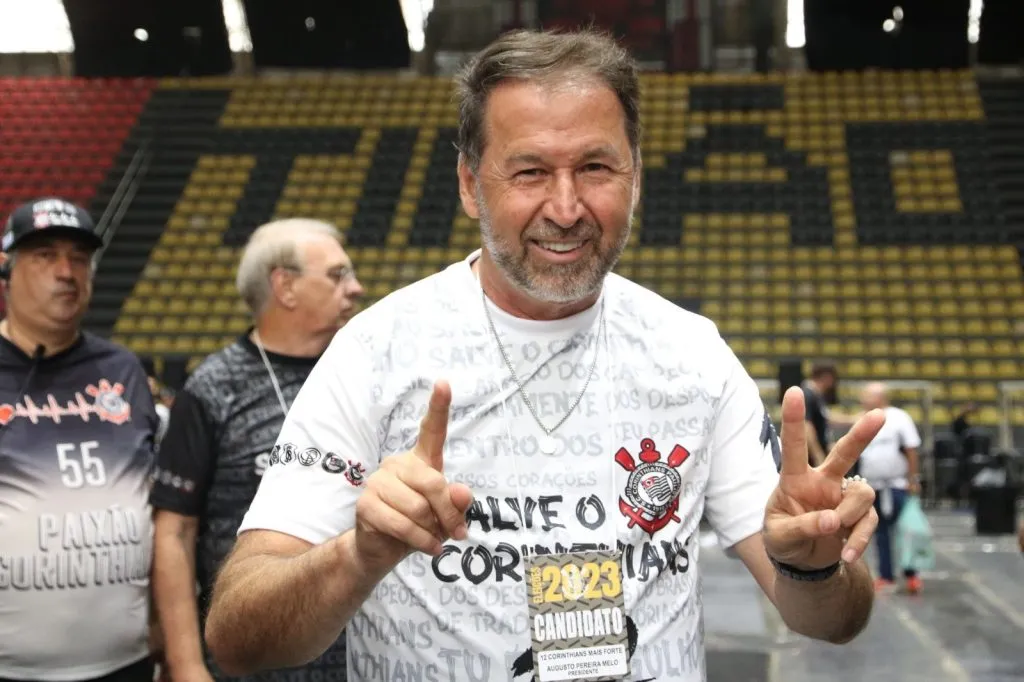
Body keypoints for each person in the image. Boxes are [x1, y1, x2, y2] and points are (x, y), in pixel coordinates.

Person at [204, 29, 883, 682]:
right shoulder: (376, 351)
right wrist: (358, 556)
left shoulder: (693, 354)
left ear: (636, 178)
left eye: (595, 168)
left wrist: (815, 566)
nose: (565, 207)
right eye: (529, 171)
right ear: (470, 184)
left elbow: (833, 620)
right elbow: (236, 638)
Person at [148, 218, 363, 682]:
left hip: (364, 659)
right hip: (254, 661)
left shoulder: (365, 373)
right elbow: (175, 532)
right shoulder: (214, 387)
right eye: (337, 275)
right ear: (284, 286)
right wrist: (186, 665)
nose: (356, 288)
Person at [0, 198, 160, 682]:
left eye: (79, 258)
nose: (66, 272)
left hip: (125, 662)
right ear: (6, 269)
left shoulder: (122, 370)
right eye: (45, 255)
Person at [856, 382, 923, 594]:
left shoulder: (899, 417)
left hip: (897, 485)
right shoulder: (863, 418)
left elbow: (911, 449)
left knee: (907, 529)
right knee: (880, 531)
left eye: (867, 395)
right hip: (873, 486)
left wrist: (913, 479)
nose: (862, 399)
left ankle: (912, 574)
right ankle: (886, 576)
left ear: (880, 397)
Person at [801, 361, 857, 467]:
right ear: (827, 377)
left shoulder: (817, 395)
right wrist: (818, 455)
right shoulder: (808, 395)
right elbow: (806, 425)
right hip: (811, 458)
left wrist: (853, 419)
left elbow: (826, 418)